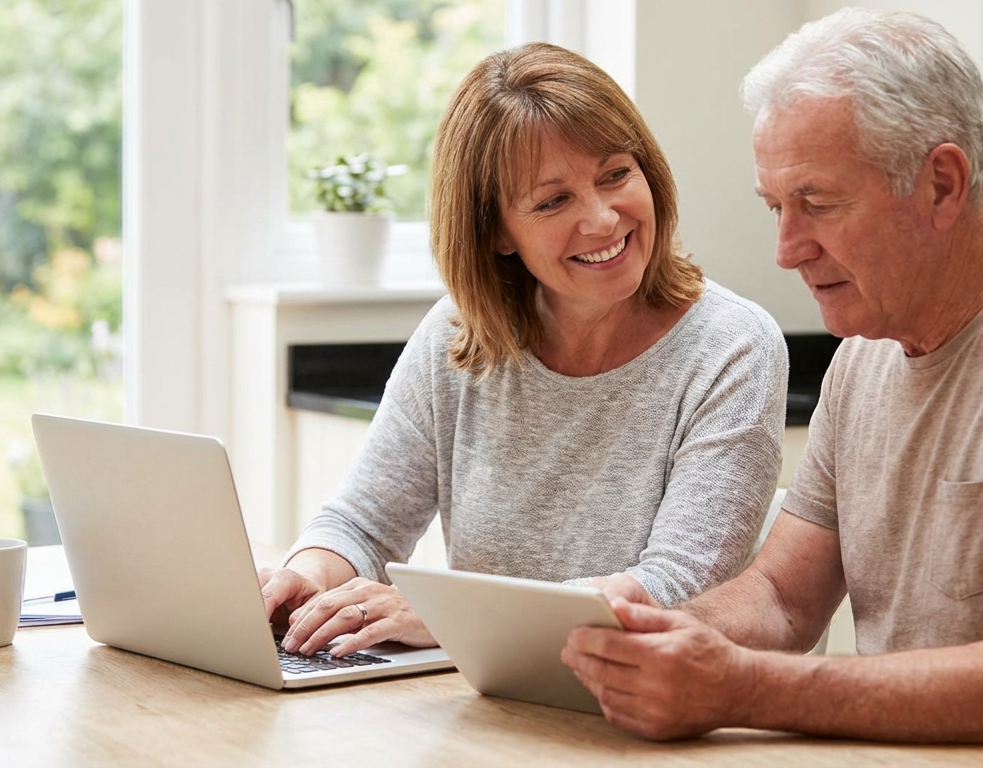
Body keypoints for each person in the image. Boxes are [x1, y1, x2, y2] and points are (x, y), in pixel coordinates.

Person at [562, 9, 983, 767]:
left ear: (941, 183)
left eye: (819, 202)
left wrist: (741, 687)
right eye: (775, 206)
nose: (786, 249)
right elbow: (781, 598)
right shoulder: (865, 358)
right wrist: (643, 636)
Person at [259, 42, 787, 662]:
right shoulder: (459, 338)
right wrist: (309, 573)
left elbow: (675, 587)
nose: (602, 218)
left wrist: (456, 611)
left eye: (616, 173)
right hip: (495, 703)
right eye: (553, 200)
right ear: (496, 233)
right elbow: (363, 523)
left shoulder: (732, 347)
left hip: (638, 715)